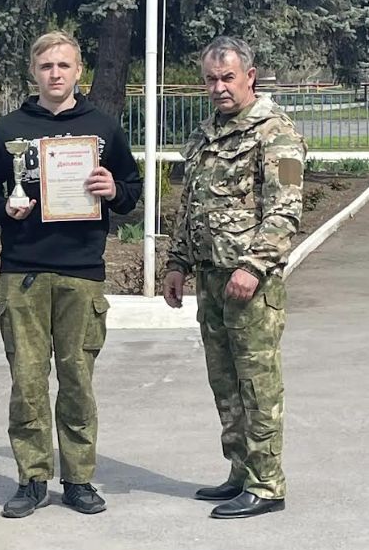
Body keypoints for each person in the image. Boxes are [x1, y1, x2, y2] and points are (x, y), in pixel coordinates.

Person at [0, 30, 141, 518]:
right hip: (22, 270)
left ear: (78, 71)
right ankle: (32, 479)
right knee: (27, 382)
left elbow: (131, 190)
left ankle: (79, 479)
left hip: (81, 272)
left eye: (64, 65)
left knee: (77, 380)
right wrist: (4, 208)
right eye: (46, 66)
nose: (55, 74)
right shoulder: (8, 129)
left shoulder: (102, 128)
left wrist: (113, 188)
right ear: (34, 71)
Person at [163, 36, 306, 519]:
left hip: (251, 285)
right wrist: (177, 264)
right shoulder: (205, 134)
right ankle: (241, 471)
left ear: (250, 76)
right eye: (210, 79)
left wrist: (253, 266)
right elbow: (190, 208)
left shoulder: (278, 132)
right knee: (224, 382)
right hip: (210, 280)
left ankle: (267, 484)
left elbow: (286, 209)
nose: (219, 87)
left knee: (258, 384)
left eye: (227, 77)